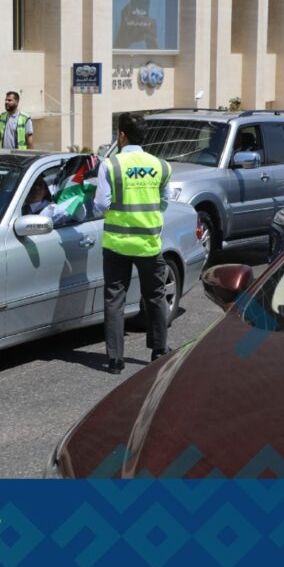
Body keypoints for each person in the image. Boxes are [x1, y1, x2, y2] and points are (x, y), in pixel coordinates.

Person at [93, 112, 172, 374]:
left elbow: (101, 205)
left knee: (115, 299)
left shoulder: (110, 165)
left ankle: (115, 360)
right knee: (155, 296)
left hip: (116, 244)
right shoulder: (161, 166)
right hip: (148, 244)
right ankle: (158, 349)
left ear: (122, 135)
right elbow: (164, 202)